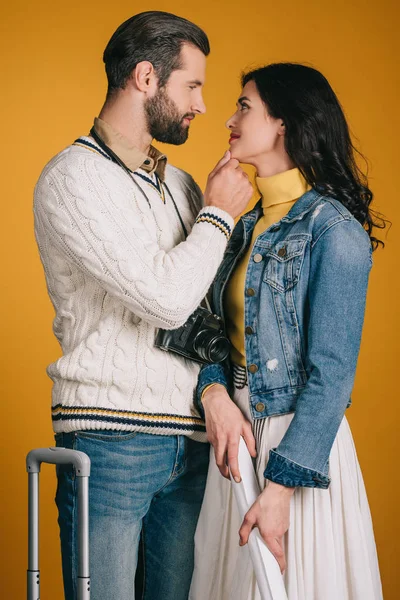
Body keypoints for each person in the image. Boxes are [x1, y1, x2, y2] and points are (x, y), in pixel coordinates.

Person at [33, 11, 253, 600]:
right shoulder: (72, 179)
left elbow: (206, 316)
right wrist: (220, 214)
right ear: (147, 78)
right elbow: (167, 301)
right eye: (193, 86)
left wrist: (211, 390)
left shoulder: (182, 186)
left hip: (192, 443)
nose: (203, 106)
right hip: (112, 442)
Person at [190, 63, 384, 600]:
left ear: (283, 122)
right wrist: (214, 394)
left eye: (244, 106)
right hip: (234, 442)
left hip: (296, 452)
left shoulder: (335, 230)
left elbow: (332, 377)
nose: (229, 117)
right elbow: (201, 328)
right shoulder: (243, 225)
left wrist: (281, 486)